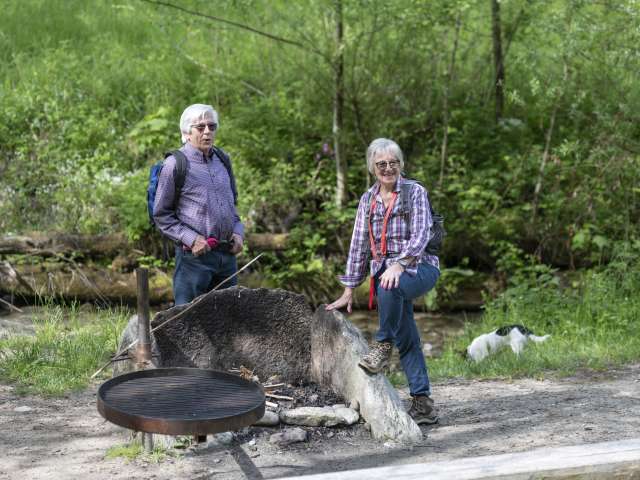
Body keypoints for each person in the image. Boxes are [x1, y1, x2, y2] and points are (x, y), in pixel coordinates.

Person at [326, 138, 440, 425]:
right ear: (372, 167)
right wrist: (349, 289)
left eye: (393, 163)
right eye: (381, 164)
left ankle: (382, 345)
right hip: (387, 277)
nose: (388, 168)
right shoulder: (367, 200)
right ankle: (423, 404)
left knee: (389, 283)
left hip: (420, 267)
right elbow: (358, 246)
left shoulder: (414, 192)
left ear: (400, 164)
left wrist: (399, 264)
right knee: (408, 336)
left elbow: (422, 234)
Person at [153, 104, 244, 305]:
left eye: (212, 126)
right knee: (187, 319)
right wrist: (192, 239)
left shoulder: (223, 160)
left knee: (229, 318)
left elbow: (232, 205)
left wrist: (238, 232)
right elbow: (161, 215)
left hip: (227, 257)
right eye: (200, 127)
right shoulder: (174, 165)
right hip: (193, 261)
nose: (207, 132)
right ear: (187, 132)